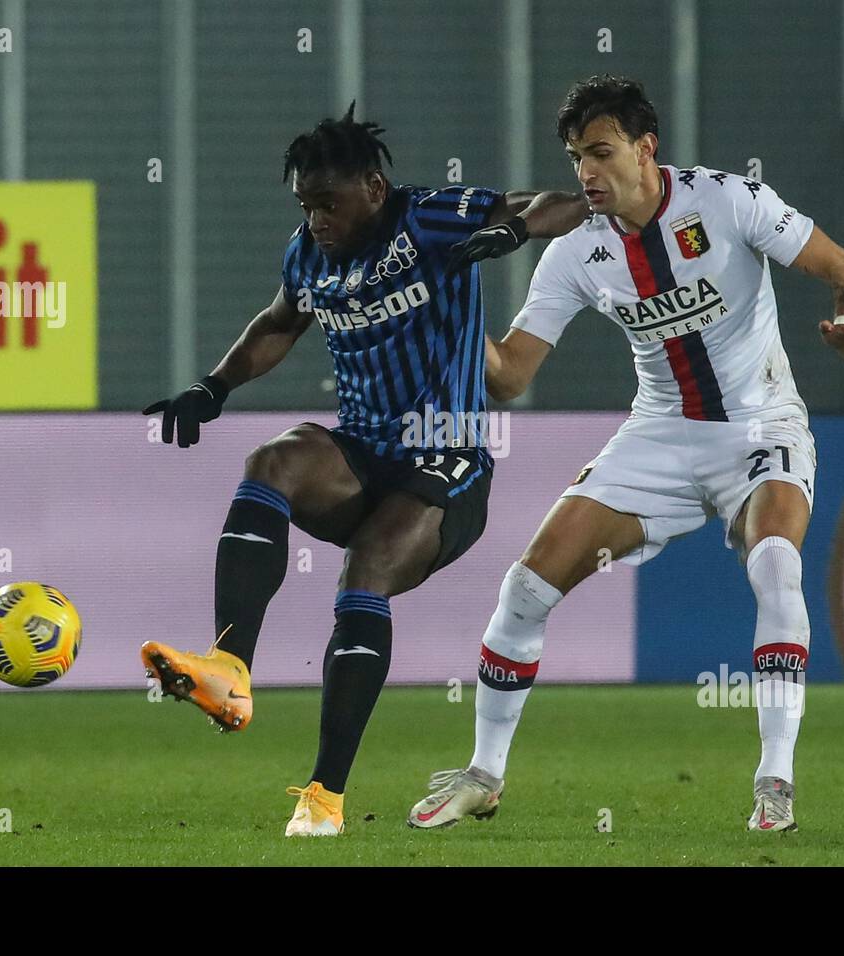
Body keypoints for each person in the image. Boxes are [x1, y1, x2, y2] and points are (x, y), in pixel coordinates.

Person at [408, 75, 844, 833]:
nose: (586, 174)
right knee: (525, 588)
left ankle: (775, 781)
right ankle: (484, 775)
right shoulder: (575, 252)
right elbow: (512, 375)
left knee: (776, 564)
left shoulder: (730, 202)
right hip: (659, 435)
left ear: (645, 148)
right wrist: (450, 314)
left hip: (762, 424)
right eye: (574, 159)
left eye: (600, 153)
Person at [140, 103, 589, 837]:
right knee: (273, 460)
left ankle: (324, 798)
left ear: (375, 189)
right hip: (364, 454)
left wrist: (513, 228)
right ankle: (230, 668)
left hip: (450, 462)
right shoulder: (309, 256)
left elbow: (556, 203)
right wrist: (211, 387)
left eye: (328, 203)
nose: (316, 219)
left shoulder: (432, 219)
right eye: (305, 205)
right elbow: (280, 321)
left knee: (365, 573)